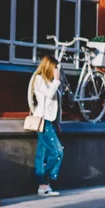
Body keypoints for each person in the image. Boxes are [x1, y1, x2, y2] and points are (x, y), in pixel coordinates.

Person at [31, 55, 64, 197]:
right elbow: (49, 95)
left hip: (49, 121)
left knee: (43, 154)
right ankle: (43, 179)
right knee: (58, 152)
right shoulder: (39, 80)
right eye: (55, 67)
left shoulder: (50, 82)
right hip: (42, 121)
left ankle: (43, 186)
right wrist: (56, 81)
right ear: (49, 66)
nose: (57, 70)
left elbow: (54, 106)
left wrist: (57, 123)